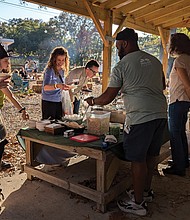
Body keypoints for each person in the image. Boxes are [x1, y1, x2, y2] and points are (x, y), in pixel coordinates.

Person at [85, 28, 167, 216]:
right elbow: (161, 86)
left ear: (125, 43)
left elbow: (107, 98)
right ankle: (145, 193)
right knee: (151, 155)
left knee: (137, 160)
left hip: (140, 117)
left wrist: (93, 100)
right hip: (161, 113)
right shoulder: (154, 60)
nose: (117, 50)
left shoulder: (121, 66)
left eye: (118, 46)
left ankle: (138, 204)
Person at [162, 33, 190, 176]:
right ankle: (184, 161)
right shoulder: (188, 59)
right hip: (183, 101)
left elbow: (187, 85)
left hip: (178, 101)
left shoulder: (180, 61)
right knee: (180, 132)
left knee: (174, 134)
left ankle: (179, 167)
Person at [0, 44, 29, 171]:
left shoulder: (1, 77)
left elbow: (10, 96)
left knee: (1, 139)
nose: (8, 64)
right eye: (5, 61)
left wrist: (22, 110)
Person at [42, 46, 71, 120]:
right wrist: (57, 86)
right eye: (59, 60)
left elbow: (61, 86)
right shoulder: (49, 70)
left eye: (63, 60)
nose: (61, 62)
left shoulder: (62, 71)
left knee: (59, 124)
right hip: (48, 101)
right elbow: (45, 87)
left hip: (59, 101)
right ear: (54, 59)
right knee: (49, 125)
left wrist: (65, 87)